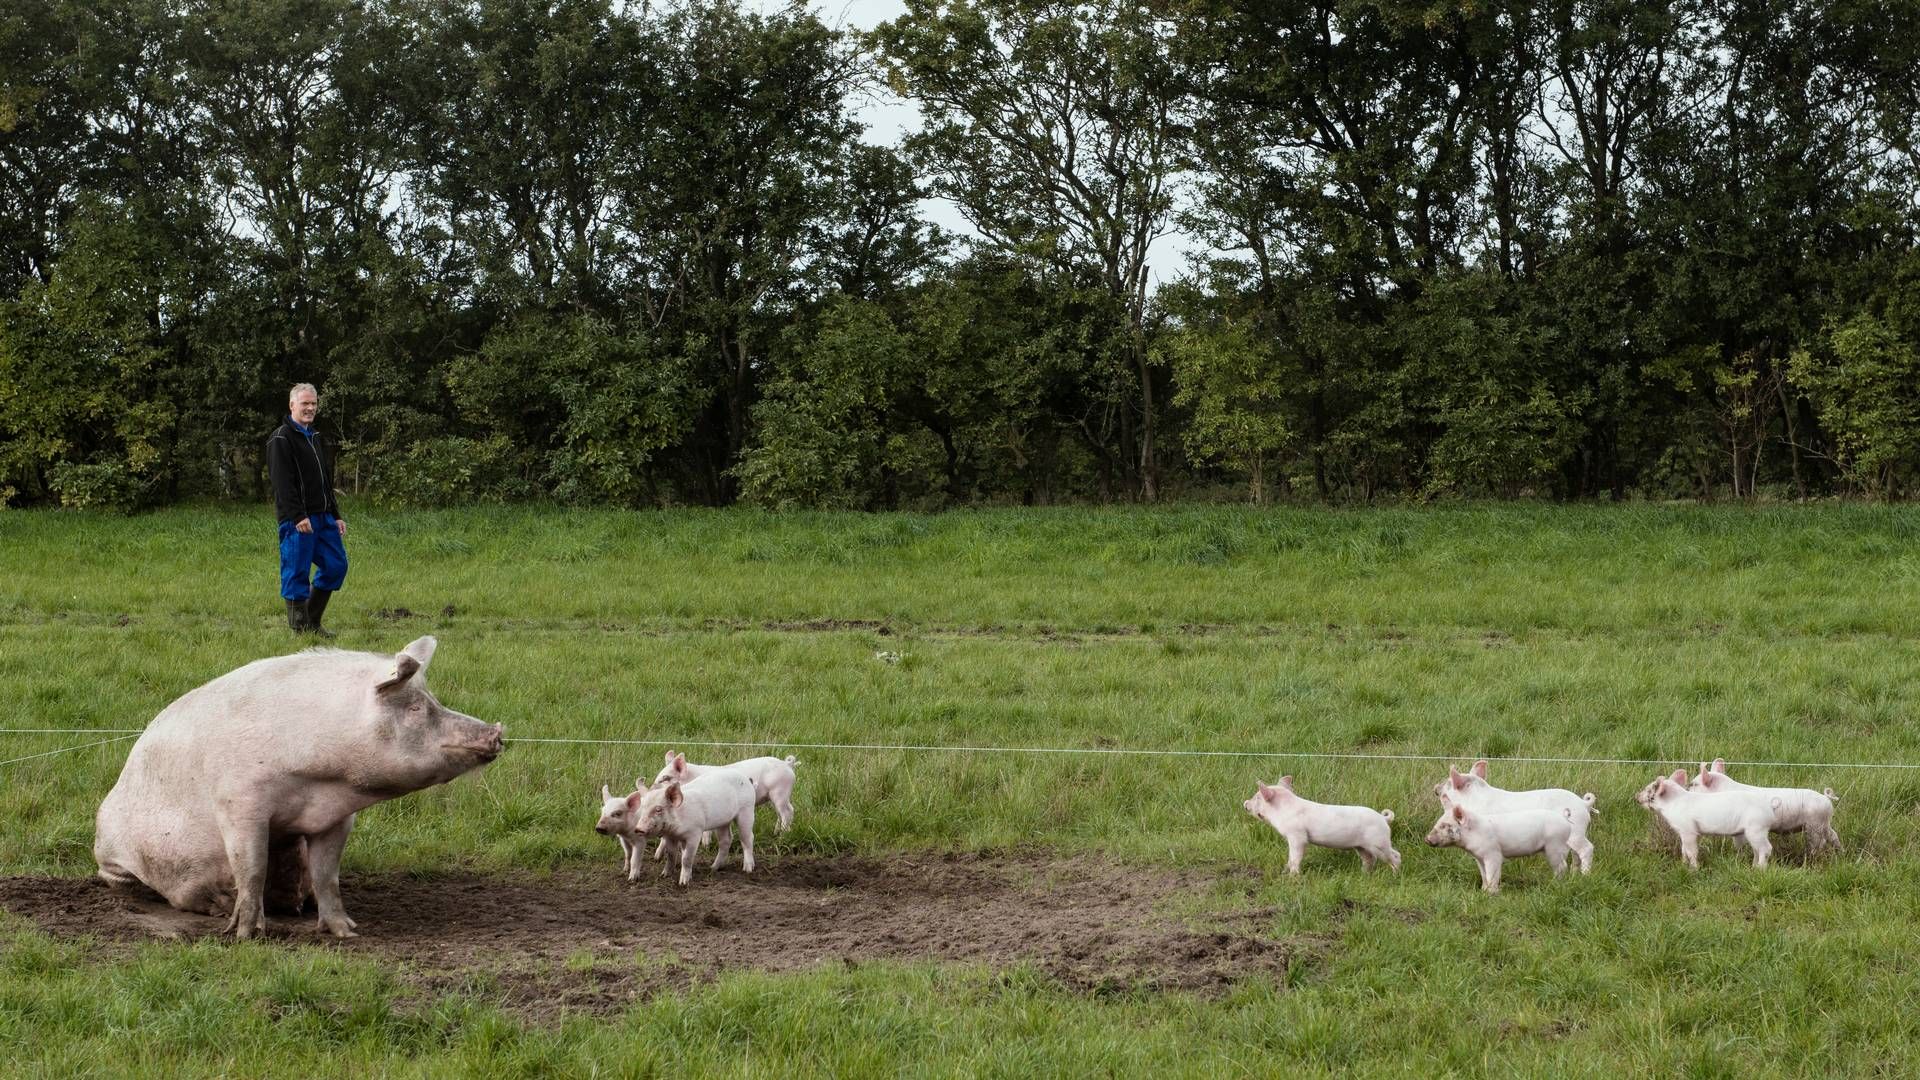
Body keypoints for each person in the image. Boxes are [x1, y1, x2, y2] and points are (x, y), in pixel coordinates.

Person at [267, 383, 348, 636]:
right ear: (292, 405)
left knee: (336, 565)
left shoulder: (314, 436)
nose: (310, 408)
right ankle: (300, 631)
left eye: (313, 404)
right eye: (305, 403)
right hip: (298, 519)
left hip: (323, 518)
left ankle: (312, 622)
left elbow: (324, 480)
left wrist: (335, 515)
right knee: (297, 571)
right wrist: (297, 515)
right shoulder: (281, 438)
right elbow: (282, 482)